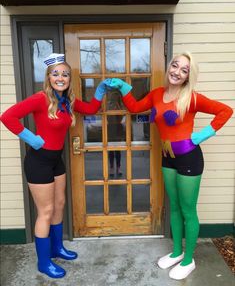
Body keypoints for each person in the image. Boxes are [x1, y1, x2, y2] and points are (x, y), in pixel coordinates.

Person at [106, 52, 233, 280]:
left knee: (187, 210)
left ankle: (188, 259)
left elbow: (225, 111)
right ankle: (176, 252)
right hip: (167, 157)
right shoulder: (156, 94)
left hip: (189, 159)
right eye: (175, 66)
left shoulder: (192, 98)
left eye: (184, 70)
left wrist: (200, 136)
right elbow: (135, 107)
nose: (177, 72)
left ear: (187, 76)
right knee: (174, 206)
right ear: (169, 67)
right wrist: (124, 87)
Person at [0, 53, 111, 279]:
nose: (61, 77)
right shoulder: (40, 98)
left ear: (69, 78)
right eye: (56, 73)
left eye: (65, 74)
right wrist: (31, 139)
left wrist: (99, 91)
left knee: (59, 204)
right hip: (38, 161)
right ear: (48, 76)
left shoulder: (67, 101)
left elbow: (90, 110)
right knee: (46, 211)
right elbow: (7, 116)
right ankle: (44, 262)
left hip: (55, 160)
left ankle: (56, 248)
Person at [107, 92, 125, 177]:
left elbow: (121, 117)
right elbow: (107, 117)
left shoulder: (120, 105)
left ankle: (118, 167)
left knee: (118, 150)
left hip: (118, 128)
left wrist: (118, 106)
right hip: (110, 128)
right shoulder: (108, 105)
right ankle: (111, 167)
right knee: (110, 150)